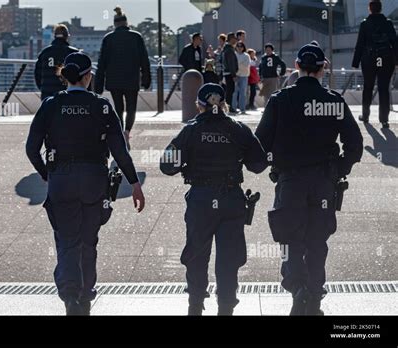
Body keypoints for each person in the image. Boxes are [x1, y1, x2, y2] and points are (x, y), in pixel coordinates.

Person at [26, 52, 146, 316]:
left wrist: (47, 174)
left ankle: (71, 296)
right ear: (88, 77)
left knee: (68, 241)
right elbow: (120, 151)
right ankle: (86, 294)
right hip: (94, 180)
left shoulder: (50, 105)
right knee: (88, 242)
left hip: (62, 180)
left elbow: (31, 149)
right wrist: (134, 183)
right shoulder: (101, 106)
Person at [255, 44, 363, 316]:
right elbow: (355, 143)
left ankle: (298, 288)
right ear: (323, 68)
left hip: (290, 181)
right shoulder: (333, 101)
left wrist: (268, 164)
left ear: (296, 66)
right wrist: (339, 168)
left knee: (290, 239)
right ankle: (314, 292)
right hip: (323, 181)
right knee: (317, 240)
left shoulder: (280, 100)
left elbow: (260, 144)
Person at [160, 83, 268, 316]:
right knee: (228, 259)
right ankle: (226, 307)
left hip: (201, 200)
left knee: (197, 255)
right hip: (231, 199)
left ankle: (195, 306)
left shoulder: (190, 131)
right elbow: (259, 164)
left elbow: (166, 165)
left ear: (199, 106)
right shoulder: (238, 129)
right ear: (224, 105)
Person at [95, 6, 151, 150]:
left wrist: (98, 86)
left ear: (114, 23)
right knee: (131, 107)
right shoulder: (136, 37)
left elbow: (101, 63)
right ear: (126, 23)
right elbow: (144, 60)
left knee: (118, 108)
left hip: (114, 80)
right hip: (132, 79)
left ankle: (121, 132)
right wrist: (146, 79)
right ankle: (127, 131)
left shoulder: (108, 39)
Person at [352, 0, 398, 129]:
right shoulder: (388, 23)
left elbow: (360, 44)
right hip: (386, 59)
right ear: (381, 9)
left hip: (369, 60)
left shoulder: (365, 24)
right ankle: (384, 120)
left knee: (368, 87)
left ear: (369, 9)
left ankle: (365, 116)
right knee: (384, 88)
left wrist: (355, 62)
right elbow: (395, 42)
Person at [34, 24, 79, 100]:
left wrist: (43, 88)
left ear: (54, 36)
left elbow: (37, 74)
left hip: (47, 93)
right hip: (67, 94)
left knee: (49, 111)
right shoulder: (73, 53)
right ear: (67, 36)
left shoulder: (45, 52)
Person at [222, 32, 239, 114]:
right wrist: (234, 75)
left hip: (226, 73)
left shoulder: (225, 49)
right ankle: (228, 107)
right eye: (235, 39)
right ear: (231, 39)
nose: (236, 40)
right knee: (230, 91)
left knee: (229, 90)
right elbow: (231, 63)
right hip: (229, 73)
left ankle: (228, 106)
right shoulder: (229, 50)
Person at [232, 42, 251, 114]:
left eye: (241, 46)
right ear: (236, 47)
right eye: (238, 46)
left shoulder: (246, 56)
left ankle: (242, 109)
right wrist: (240, 64)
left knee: (243, 93)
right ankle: (233, 108)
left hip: (244, 75)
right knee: (234, 92)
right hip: (235, 75)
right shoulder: (234, 55)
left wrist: (237, 65)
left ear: (243, 48)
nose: (239, 48)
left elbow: (246, 65)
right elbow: (233, 65)